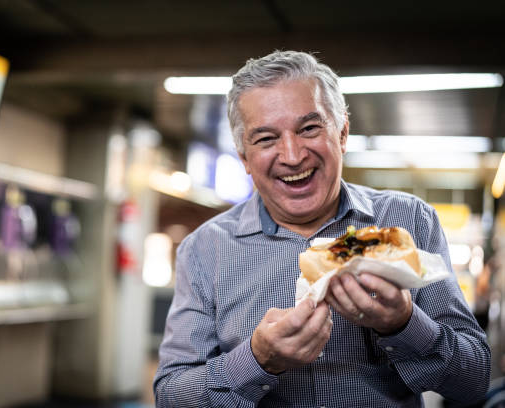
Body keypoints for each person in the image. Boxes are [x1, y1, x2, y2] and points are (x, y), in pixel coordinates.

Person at [153, 50, 490, 407]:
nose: (293, 155)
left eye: (309, 128)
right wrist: (257, 359)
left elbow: (474, 380)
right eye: (266, 139)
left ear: (342, 132)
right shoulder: (204, 250)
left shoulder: (409, 221)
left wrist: (403, 325)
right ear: (244, 159)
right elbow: (172, 395)